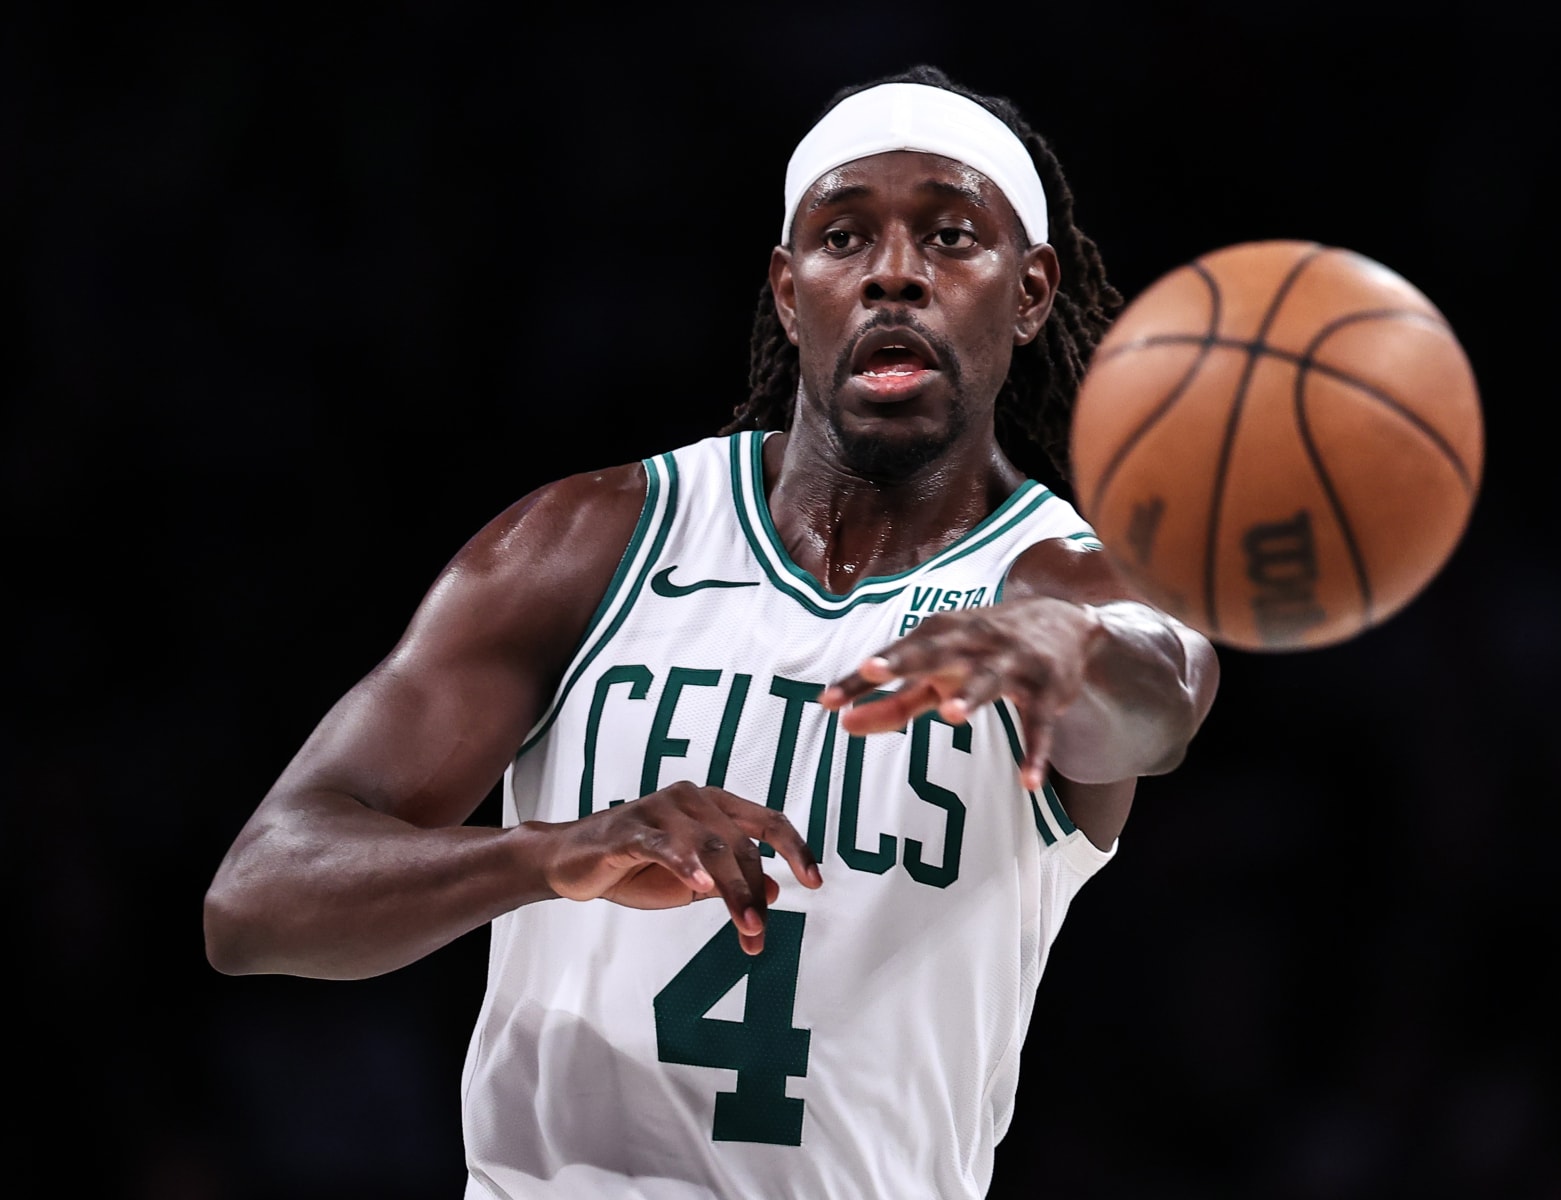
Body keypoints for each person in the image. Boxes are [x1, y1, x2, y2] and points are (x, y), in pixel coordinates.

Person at [204, 63, 1220, 1199]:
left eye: (948, 237)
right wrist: (554, 855)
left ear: (1029, 291)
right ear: (790, 294)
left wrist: (1072, 651)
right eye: (844, 239)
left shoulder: (1065, 579)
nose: (895, 273)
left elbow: (1163, 699)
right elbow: (255, 901)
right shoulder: (594, 539)